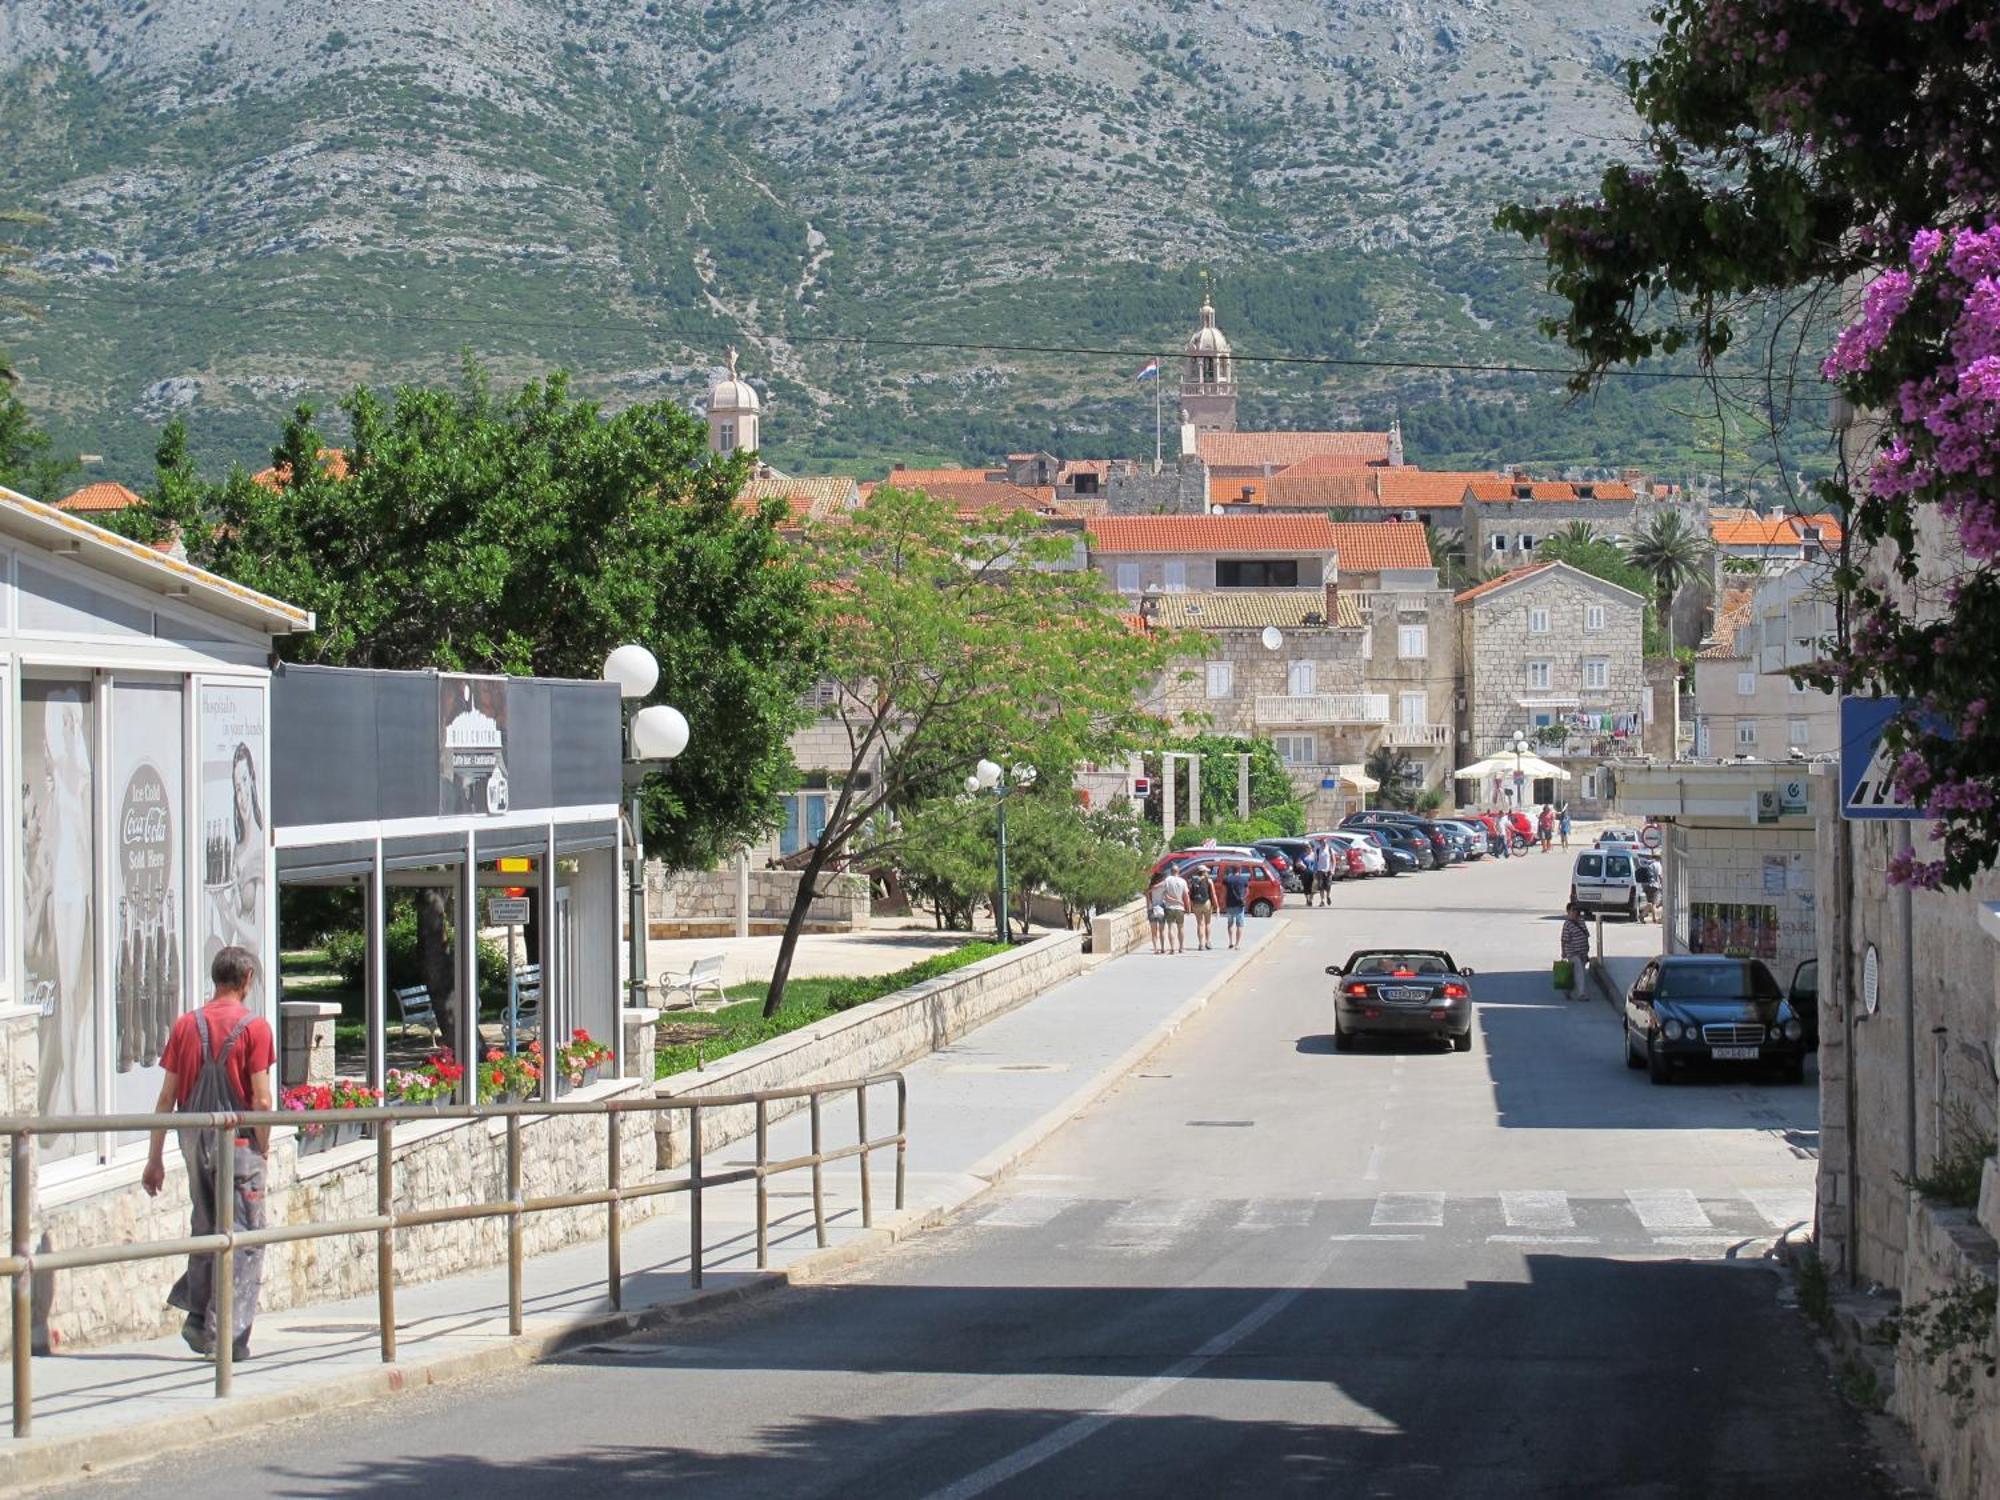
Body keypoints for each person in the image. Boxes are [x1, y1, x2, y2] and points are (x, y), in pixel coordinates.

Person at [144, 946, 275, 1360]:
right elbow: (262, 1099)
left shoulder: (186, 1025)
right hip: (237, 1144)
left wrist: (155, 1157)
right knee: (244, 1237)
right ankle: (226, 1337)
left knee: (205, 1230)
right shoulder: (254, 1028)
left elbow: (166, 1098)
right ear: (248, 978)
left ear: (215, 978)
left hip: (192, 1138)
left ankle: (199, 1318)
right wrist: (264, 1147)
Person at [1559, 903, 1592, 998]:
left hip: (1583, 952)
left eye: (1576, 910)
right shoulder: (1567, 924)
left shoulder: (1581, 921)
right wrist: (1563, 952)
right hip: (1572, 952)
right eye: (1573, 910)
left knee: (1574, 973)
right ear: (1568, 912)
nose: (1575, 912)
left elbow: (1586, 934)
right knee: (1580, 972)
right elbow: (1564, 940)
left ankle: (1568, 990)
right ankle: (1581, 994)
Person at [1157, 864, 1190, 953]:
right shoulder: (1183, 881)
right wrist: (1188, 908)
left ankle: (1172, 948)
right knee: (1181, 928)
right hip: (1180, 907)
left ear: (1171, 871)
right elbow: (1186, 896)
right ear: (1178, 871)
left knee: (1171, 927)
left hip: (1169, 907)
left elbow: (1163, 892)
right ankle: (1181, 947)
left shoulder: (1167, 880)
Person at [1221, 863, 1252, 950]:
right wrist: (1243, 898)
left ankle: (1231, 942)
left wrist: (1222, 902)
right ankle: (1237, 944)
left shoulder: (1227, 880)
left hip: (1229, 903)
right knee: (1239, 924)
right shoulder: (1244, 879)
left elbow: (1223, 892)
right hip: (1239, 904)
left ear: (1231, 870)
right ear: (1240, 870)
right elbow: (1247, 891)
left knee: (1230, 923)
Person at [1186, 863, 1216, 950]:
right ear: (1203, 872)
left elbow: (1189, 894)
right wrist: (1216, 905)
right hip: (1206, 903)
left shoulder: (1193, 881)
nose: (1208, 873)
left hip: (1196, 904)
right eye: (1207, 871)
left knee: (1200, 924)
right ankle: (1208, 942)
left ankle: (1200, 944)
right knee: (1208, 923)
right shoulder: (1209, 881)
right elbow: (1213, 894)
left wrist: (1190, 905)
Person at [1146, 872, 1168, 955]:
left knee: (1154, 931)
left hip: (1151, 909)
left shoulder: (1150, 888)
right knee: (1162, 930)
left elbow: (1147, 897)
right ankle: (1162, 948)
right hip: (1161, 908)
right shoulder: (1163, 886)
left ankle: (1155, 949)